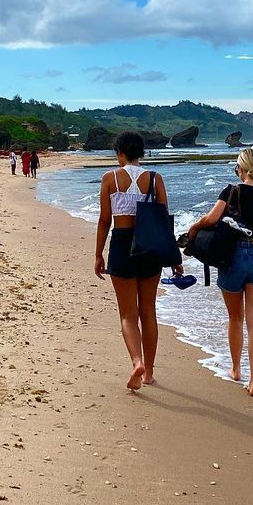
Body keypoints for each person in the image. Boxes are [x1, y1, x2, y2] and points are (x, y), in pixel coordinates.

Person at [187, 146, 253, 397]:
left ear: (240, 168)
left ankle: (235, 369)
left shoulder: (231, 191)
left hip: (232, 257)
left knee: (235, 318)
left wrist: (193, 227)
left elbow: (211, 219)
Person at [95, 131, 182, 391]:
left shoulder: (110, 178)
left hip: (122, 244)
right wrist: (174, 257)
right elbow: (164, 221)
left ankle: (136, 361)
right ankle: (149, 373)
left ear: (119, 153)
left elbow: (104, 220)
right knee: (148, 311)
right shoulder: (156, 179)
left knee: (127, 314)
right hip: (150, 247)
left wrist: (98, 254)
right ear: (142, 153)